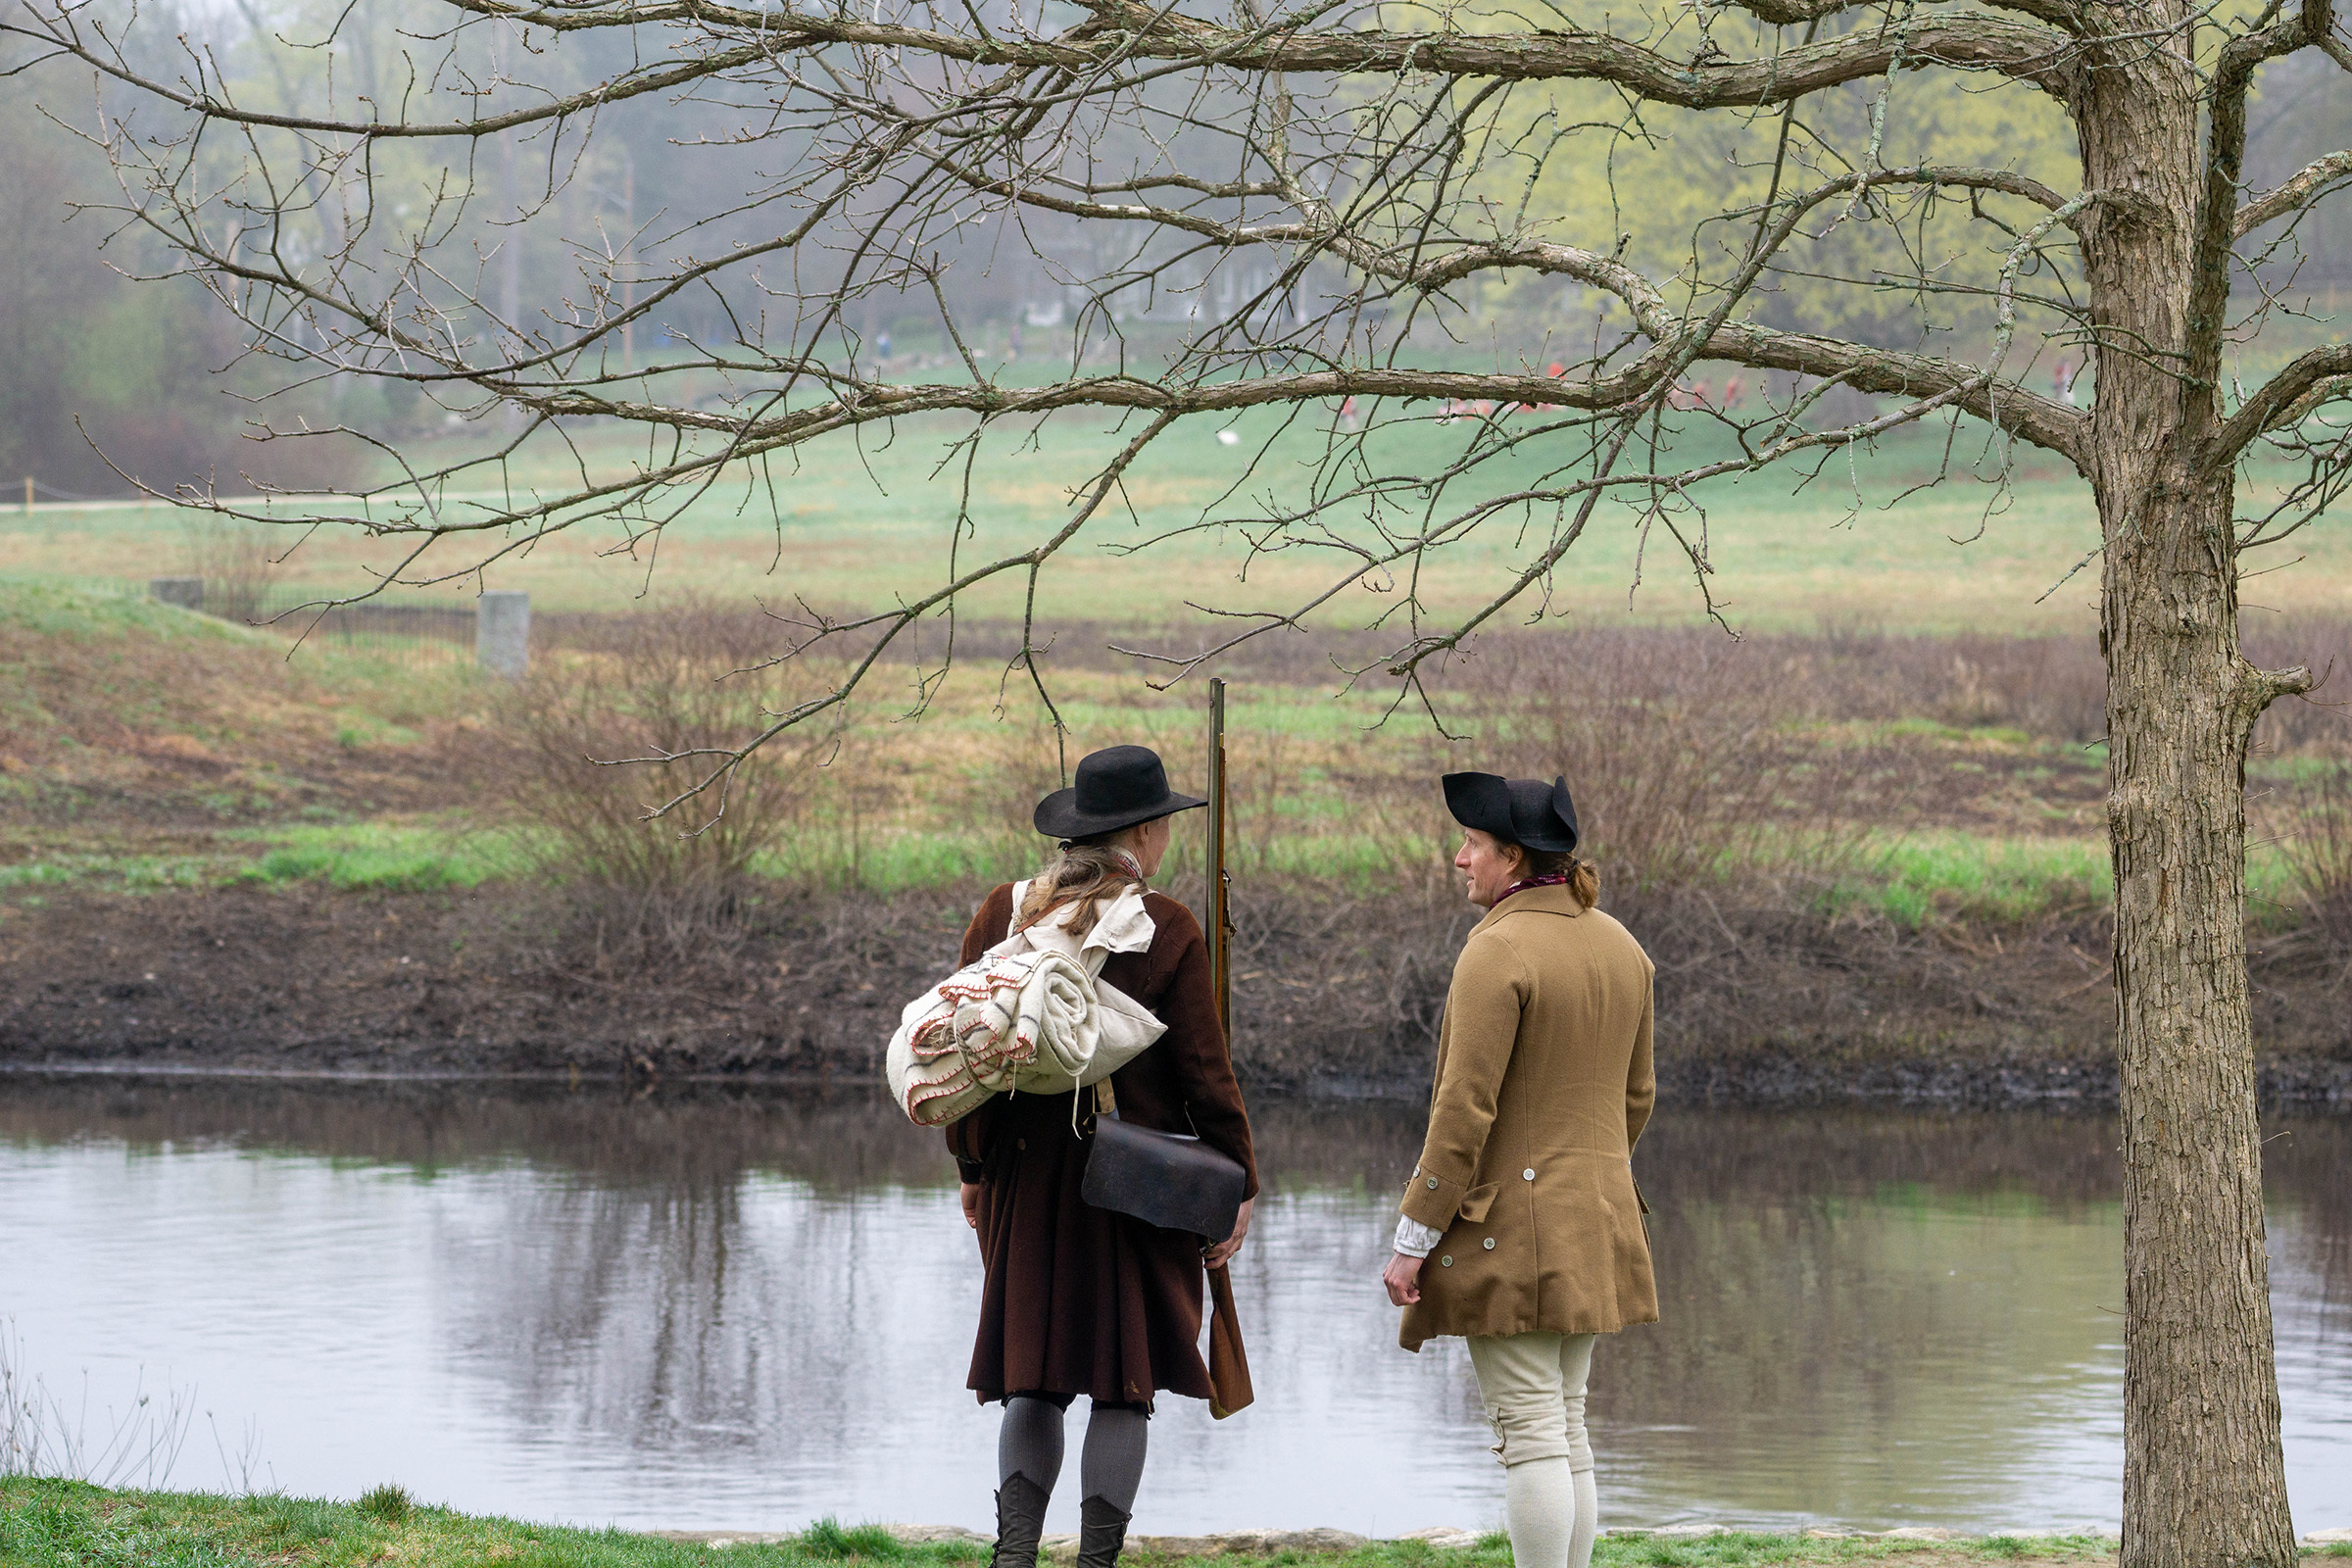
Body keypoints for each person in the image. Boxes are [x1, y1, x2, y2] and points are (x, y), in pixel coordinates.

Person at [946, 745, 1259, 1568]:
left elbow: (962, 1057)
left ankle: (1013, 1558)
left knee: (1032, 1375)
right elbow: (1205, 1074)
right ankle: (1093, 1565)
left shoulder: (1000, 913)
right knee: (1125, 1381)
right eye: (1166, 827)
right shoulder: (1169, 926)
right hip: (1134, 1183)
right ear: (1147, 833)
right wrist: (1238, 1182)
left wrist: (973, 1173)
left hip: (1021, 1176)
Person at [1381, 771, 1657, 1568]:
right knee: (1564, 1422)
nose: (1459, 858)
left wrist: (1413, 1238)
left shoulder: (1497, 950)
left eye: (1472, 844)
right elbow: (1637, 1097)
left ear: (1513, 857)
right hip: (1599, 1219)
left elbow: (1462, 1113)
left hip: (1516, 1234)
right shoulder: (1622, 946)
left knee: (1532, 1430)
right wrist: (1588, 1179)